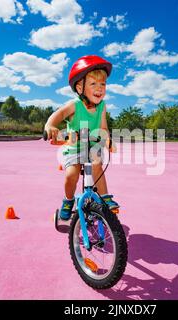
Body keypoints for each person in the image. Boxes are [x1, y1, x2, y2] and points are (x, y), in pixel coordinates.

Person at [44, 55, 119, 220]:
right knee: (72, 174)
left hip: (92, 145)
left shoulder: (102, 107)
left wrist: (107, 140)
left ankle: (105, 197)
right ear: (80, 87)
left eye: (103, 84)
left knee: (97, 163)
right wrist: (50, 126)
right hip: (74, 147)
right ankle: (68, 200)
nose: (100, 88)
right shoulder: (74, 105)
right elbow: (56, 116)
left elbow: (103, 128)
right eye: (94, 84)